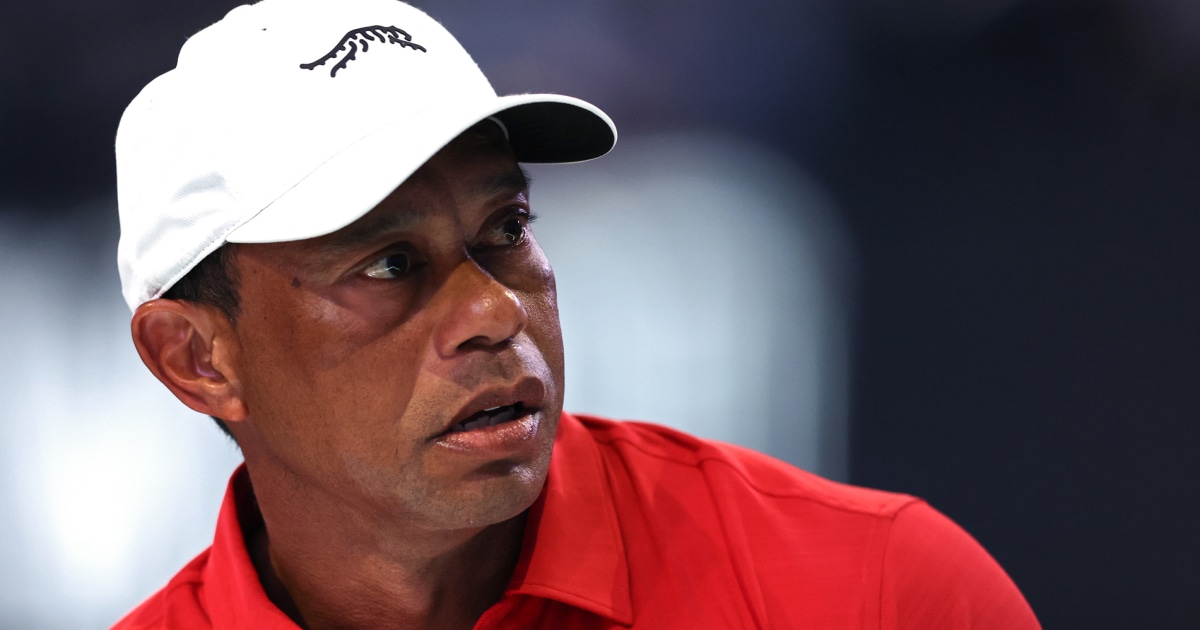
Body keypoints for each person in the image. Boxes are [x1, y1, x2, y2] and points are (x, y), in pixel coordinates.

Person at [112, 0, 1040, 628]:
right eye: (390, 264)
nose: (492, 308)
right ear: (195, 358)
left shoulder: (880, 592)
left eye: (506, 228)